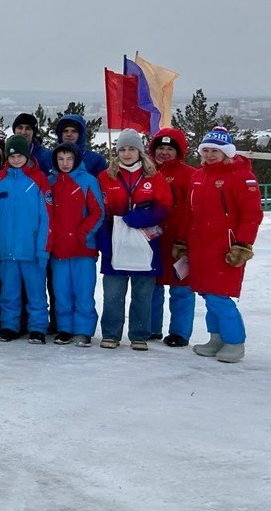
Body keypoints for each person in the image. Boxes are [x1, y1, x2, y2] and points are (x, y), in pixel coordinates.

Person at [184, 126, 261, 364]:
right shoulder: (198, 176)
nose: (209, 155)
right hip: (200, 245)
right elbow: (190, 213)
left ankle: (235, 342)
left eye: (215, 151)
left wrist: (242, 245)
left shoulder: (241, 176)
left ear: (226, 151)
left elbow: (252, 214)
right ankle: (216, 338)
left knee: (220, 296)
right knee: (208, 294)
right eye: (205, 150)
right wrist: (182, 241)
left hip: (225, 248)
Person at [96, 129, 172, 351]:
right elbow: (99, 211)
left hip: (145, 244)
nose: (127, 153)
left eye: (131, 149)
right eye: (122, 149)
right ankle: (111, 333)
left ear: (140, 151)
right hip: (114, 242)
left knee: (142, 293)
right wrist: (103, 241)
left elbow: (165, 207)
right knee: (113, 293)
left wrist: (142, 216)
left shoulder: (153, 176)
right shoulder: (106, 176)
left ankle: (139, 334)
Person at [0, 135, 52, 344]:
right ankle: (9, 326)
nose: (16, 159)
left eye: (20, 155)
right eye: (12, 155)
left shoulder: (39, 179)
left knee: (36, 293)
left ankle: (38, 327)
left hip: (31, 250)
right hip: (7, 250)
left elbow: (46, 218)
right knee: (9, 293)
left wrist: (43, 249)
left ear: (27, 155)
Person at [47, 142, 104, 346]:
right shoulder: (50, 182)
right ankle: (65, 328)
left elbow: (98, 212)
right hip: (59, 248)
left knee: (83, 291)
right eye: (61, 159)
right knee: (61, 291)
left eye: (69, 159)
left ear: (77, 160)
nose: (65, 163)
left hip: (83, 248)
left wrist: (82, 233)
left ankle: (83, 329)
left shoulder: (88, 181)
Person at [149, 128, 196, 346]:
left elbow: (195, 209)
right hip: (153, 240)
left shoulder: (190, 174)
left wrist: (187, 238)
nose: (164, 152)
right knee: (152, 287)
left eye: (170, 148)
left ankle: (180, 332)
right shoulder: (147, 171)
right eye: (160, 148)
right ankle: (150, 328)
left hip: (180, 240)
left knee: (181, 288)